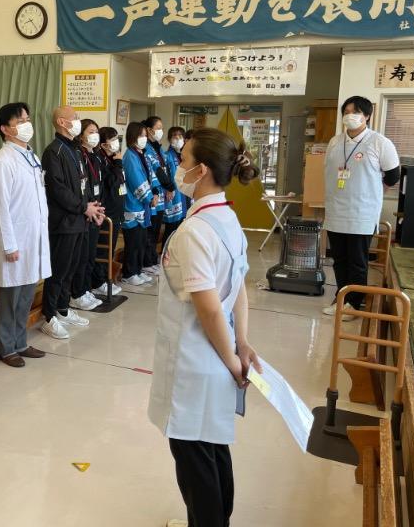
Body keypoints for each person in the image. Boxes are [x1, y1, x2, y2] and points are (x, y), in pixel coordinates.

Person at [148, 128, 262, 527]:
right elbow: (240, 287)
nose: (177, 167)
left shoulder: (195, 231)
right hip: (219, 352)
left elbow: (210, 309)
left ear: (201, 171)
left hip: (196, 362)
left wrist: (233, 360)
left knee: (194, 460)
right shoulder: (226, 216)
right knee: (212, 448)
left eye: (183, 161)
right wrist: (241, 344)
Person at [322, 96, 400, 318]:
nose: (350, 116)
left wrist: (376, 191)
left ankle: (354, 304)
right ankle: (342, 298)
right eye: (346, 112)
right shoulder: (335, 142)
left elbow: (393, 175)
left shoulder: (379, 142)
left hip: (362, 213)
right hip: (336, 210)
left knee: (357, 261)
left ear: (366, 116)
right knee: (339, 260)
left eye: (355, 112)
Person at [0, 102, 50, 368]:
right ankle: (6, 347)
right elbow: (0, 209)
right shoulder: (1, 162)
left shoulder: (31, 157)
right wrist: (9, 245)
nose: (26, 125)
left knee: (26, 295)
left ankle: (21, 342)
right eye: (20, 121)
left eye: (27, 119)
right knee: (10, 297)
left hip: (33, 237)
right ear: (5, 129)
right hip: (15, 241)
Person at [41, 106, 105, 339]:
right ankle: (49, 317)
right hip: (64, 222)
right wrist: (83, 207)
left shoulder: (75, 149)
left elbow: (83, 184)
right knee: (58, 271)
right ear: (61, 122)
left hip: (80, 220)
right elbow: (58, 189)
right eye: (75, 118)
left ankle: (63, 308)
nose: (78, 121)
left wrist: (92, 208)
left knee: (71, 269)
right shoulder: (53, 151)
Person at [70, 119, 105, 311]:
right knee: (82, 257)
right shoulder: (78, 154)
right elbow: (83, 187)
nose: (95, 135)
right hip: (85, 211)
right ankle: (77, 293)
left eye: (96, 131)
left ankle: (85, 288)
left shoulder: (95, 156)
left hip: (95, 209)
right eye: (90, 131)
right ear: (81, 134)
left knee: (91, 255)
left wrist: (99, 208)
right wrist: (90, 207)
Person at [91, 126, 125, 297]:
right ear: (103, 144)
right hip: (107, 211)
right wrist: (118, 164)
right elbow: (111, 183)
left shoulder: (112, 158)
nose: (116, 143)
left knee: (110, 249)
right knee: (103, 250)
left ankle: (104, 279)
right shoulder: (100, 159)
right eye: (112, 140)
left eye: (116, 139)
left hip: (116, 210)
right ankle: (98, 282)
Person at [120, 122, 155, 288]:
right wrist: (149, 197)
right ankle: (129, 273)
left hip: (142, 207)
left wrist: (153, 194)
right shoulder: (130, 156)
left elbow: (149, 175)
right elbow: (136, 180)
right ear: (133, 136)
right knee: (133, 242)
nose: (144, 138)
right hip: (133, 205)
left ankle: (138, 270)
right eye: (141, 135)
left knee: (141, 241)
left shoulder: (140, 154)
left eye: (145, 135)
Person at [142, 116, 173, 275]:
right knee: (150, 230)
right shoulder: (146, 148)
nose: (161, 131)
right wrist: (168, 186)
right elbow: (155, 172)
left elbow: (164, 169)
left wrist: (168, 187)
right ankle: (147, 262)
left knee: (156, 231)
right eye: (158, 127)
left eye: (162, 127)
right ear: (149, 130)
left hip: (161, 195)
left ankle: (152, 260)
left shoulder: (158, 148)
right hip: (153, 194)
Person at [162, 126, 186, 244]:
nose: (177, 138)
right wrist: (168, 189)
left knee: (182, 228)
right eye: (174, 136)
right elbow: (163, 176)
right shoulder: (166, 156)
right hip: (173, 195)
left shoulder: (185, 156)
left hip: (185, 195)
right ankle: (165, 252)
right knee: (171, 227)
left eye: (180, 136)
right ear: (169, 139)